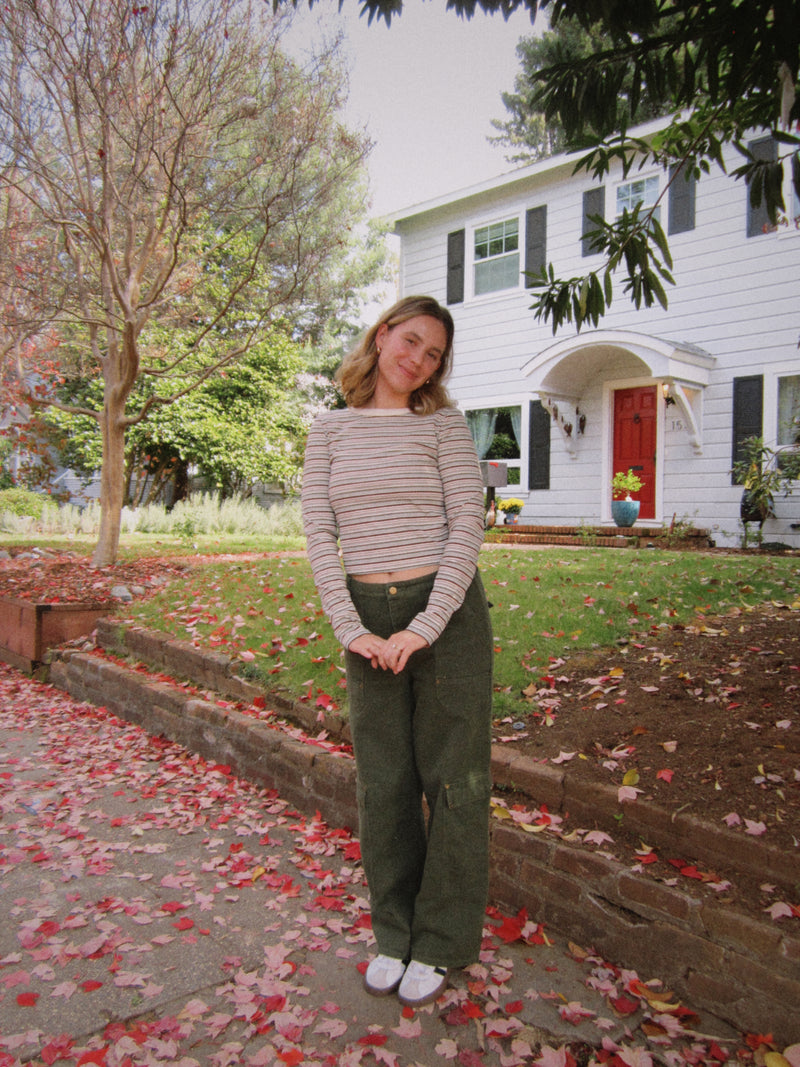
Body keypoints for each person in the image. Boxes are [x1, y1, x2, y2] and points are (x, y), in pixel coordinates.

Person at [301, 295, 493, 1009]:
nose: (418, 359)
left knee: (454, 779)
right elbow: (321, 535)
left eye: (434, 353)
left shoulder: (443, 425)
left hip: (447, 615)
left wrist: (427, 624)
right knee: (384, 784)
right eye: (410, 341)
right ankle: (394, 931)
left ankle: (441, 940)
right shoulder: (329, 430)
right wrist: (352, 629)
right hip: (366, 619)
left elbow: (466, 527)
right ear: (382, 337)